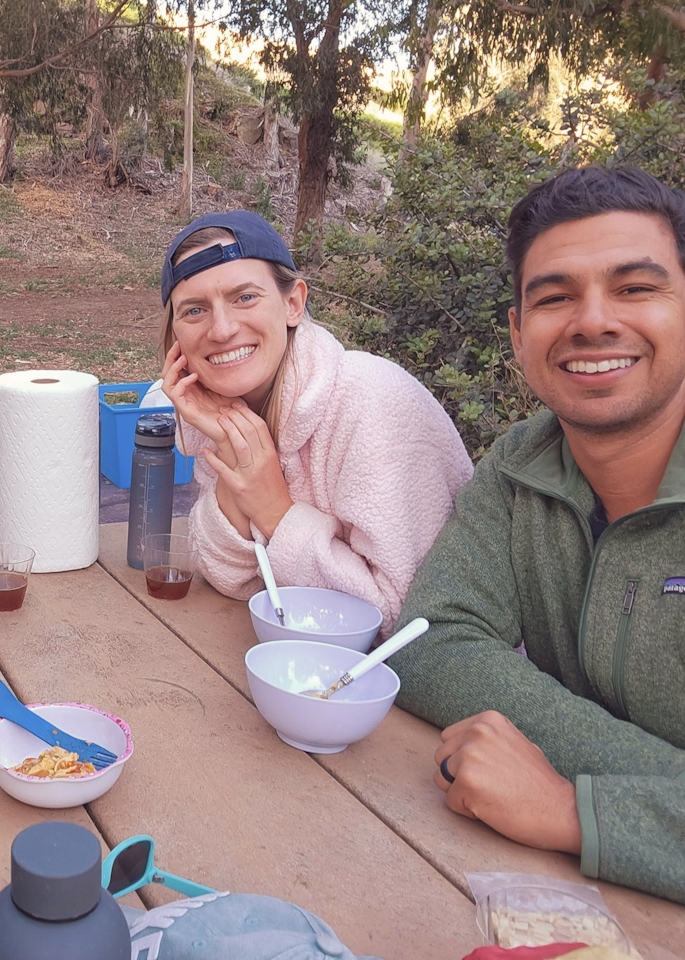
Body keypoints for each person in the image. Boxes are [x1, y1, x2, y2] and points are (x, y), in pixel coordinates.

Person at [391, 165, 685, 905]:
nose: (592, 321)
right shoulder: (524, 463)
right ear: (520, 335)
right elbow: (432, 641)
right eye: (554, 298)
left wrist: (573, 809)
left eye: (635, 289)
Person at [159, 210, 473, 633]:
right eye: (194, 311)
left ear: (293, 303)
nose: (222, 329)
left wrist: (275, 513)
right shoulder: (226, 407)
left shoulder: (371, 403)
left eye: (245, 297)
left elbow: (404, 620)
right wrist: (235, 450)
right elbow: (229, 577)